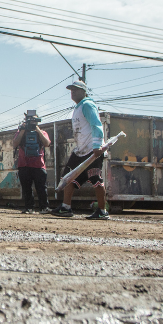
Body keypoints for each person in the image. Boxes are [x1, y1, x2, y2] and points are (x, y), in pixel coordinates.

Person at [52, 81, 111, 220]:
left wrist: (97, 146)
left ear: (84, 91)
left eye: (76, 90)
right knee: (69, 176)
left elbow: (96, 125)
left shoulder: (87, 105)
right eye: (71, 90)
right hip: (80, 150)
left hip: (92, 149)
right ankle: (66, 207)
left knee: (95, 179)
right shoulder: (78, 108)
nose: (72, 92)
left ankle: (102, 211)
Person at [14, 114, 51, 213]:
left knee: (42, 188)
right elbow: (15, 143)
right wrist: (22, 130)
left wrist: (38, 130)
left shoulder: (42, 132)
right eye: (30, 120)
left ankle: (44, 207)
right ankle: (29, 207)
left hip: (39, 165)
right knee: (26, 189)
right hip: (24, 165)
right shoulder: (21, 132)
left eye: (34, 120)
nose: (32, 123)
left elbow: (47, 143)